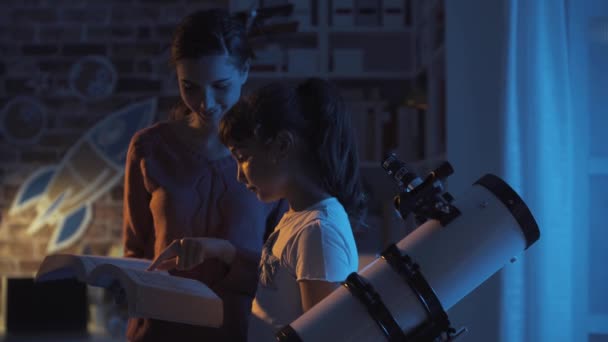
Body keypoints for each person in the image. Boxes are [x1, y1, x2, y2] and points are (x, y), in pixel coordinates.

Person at [148, 78, 367, 341]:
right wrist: (219, 250)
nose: (239, 177)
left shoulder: (318, 232)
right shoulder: (295, 218)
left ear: (282, 146)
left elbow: (323, 337)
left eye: (243, 158)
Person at [122, 9, 286, 342]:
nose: (205, 103)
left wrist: (225, 253)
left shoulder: (272, 154)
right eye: (190, 87)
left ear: (244, 72)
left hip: (238, 332)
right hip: (158, 332)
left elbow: (281, 272)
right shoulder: (149, 148)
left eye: (220, 86)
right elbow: (136, 251)